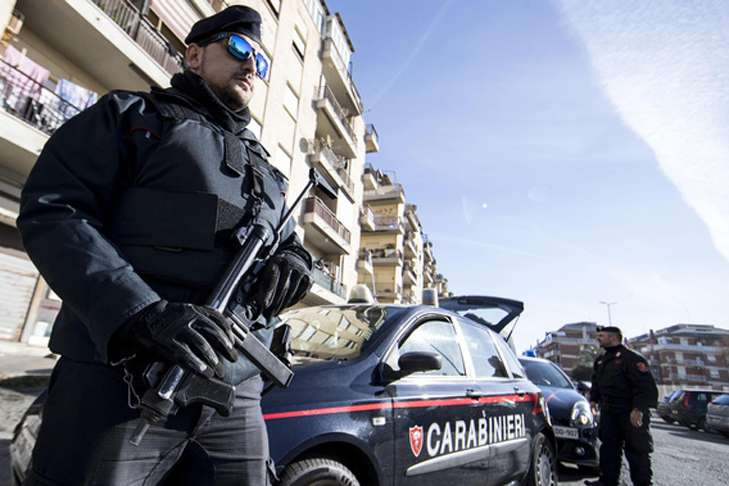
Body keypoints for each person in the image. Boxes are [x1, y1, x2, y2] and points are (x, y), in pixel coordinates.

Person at [17, 6, 312, 485]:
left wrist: (295, 259)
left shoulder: (268, 171)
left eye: (260, 60)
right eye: (238, 47)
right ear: (193, 56)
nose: (251, 65)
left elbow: (288, 238)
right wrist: (142, 313)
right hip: (124, 382)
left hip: (233, 395)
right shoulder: (131, 118)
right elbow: (55, 210)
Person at [584, 326, 658, 486]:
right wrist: (593, 400)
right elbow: (596, 382)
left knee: (637, 450)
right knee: (609, 448)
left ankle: (643, 483)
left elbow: (645, 387)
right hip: (609, 412)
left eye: (602, 336)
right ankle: (607, 481)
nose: (598, 339)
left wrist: (638, 409)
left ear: (613, 337)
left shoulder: (632, 358)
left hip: (630, 412)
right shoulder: (601, 360)